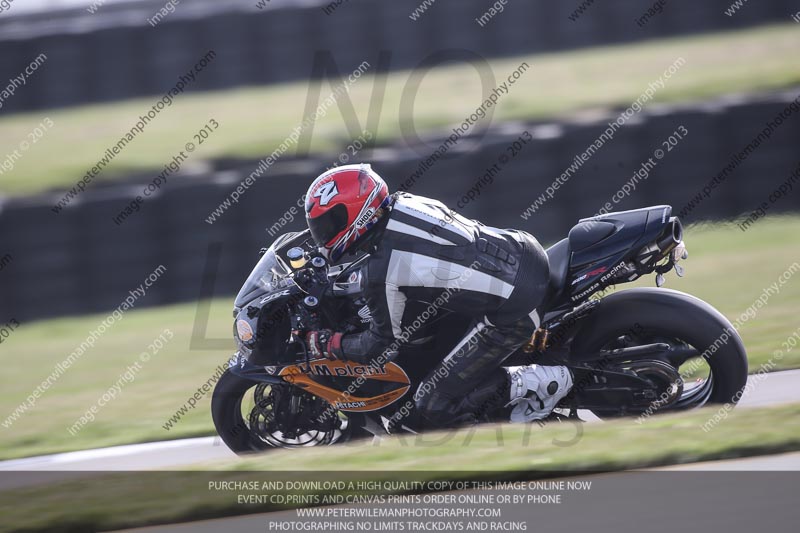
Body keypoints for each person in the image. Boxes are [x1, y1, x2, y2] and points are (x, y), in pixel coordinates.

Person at [303, 163, 572, 428]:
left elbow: (380, 346)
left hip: (516, 306)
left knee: (434, 404)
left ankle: (543, 380)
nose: (324, 234)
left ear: (356, 214)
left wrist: (329, 344)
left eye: (329, 223)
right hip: (521, 248)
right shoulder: (403, 203)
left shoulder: (380, 272)